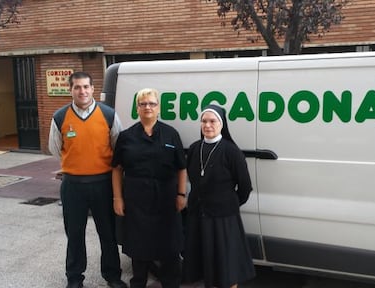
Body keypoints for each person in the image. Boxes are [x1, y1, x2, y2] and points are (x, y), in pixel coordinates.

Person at [48, 71, 127, 288]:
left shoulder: (108, 115)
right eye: (77, 87)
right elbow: (55, 149)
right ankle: (74, 278)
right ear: (70, 90)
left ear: (93, 89)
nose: (82, 91)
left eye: (86, 87)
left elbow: (117, 146)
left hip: (103, 183)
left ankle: (112, 276)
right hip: (73, 186)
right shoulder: (60, 117)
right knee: (74, 235)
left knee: (108, 233)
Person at [112, 88, 187, 288]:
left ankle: (171, 284)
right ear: (137, 108)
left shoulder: (171, 134)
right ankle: (139, 283)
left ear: (158, 108)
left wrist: (181, 194)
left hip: (167, 200)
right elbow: (117, 169)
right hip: (137, 201)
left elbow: (181, 167)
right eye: (143, 103)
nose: (148, 107)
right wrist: (117, 198)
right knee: (139, 249)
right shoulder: (126, 137)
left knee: (170, 248)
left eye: (152, 103)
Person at [182, 104, 256, 288]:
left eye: (212, 121)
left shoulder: (231, 151)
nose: (208, 125)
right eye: (204, 121)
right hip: (198, 216)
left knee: (227, 268)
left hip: (224, 218)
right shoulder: (194, 148)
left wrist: (229, 204)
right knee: (206, 266)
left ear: (221, 124)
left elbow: (245, 187)